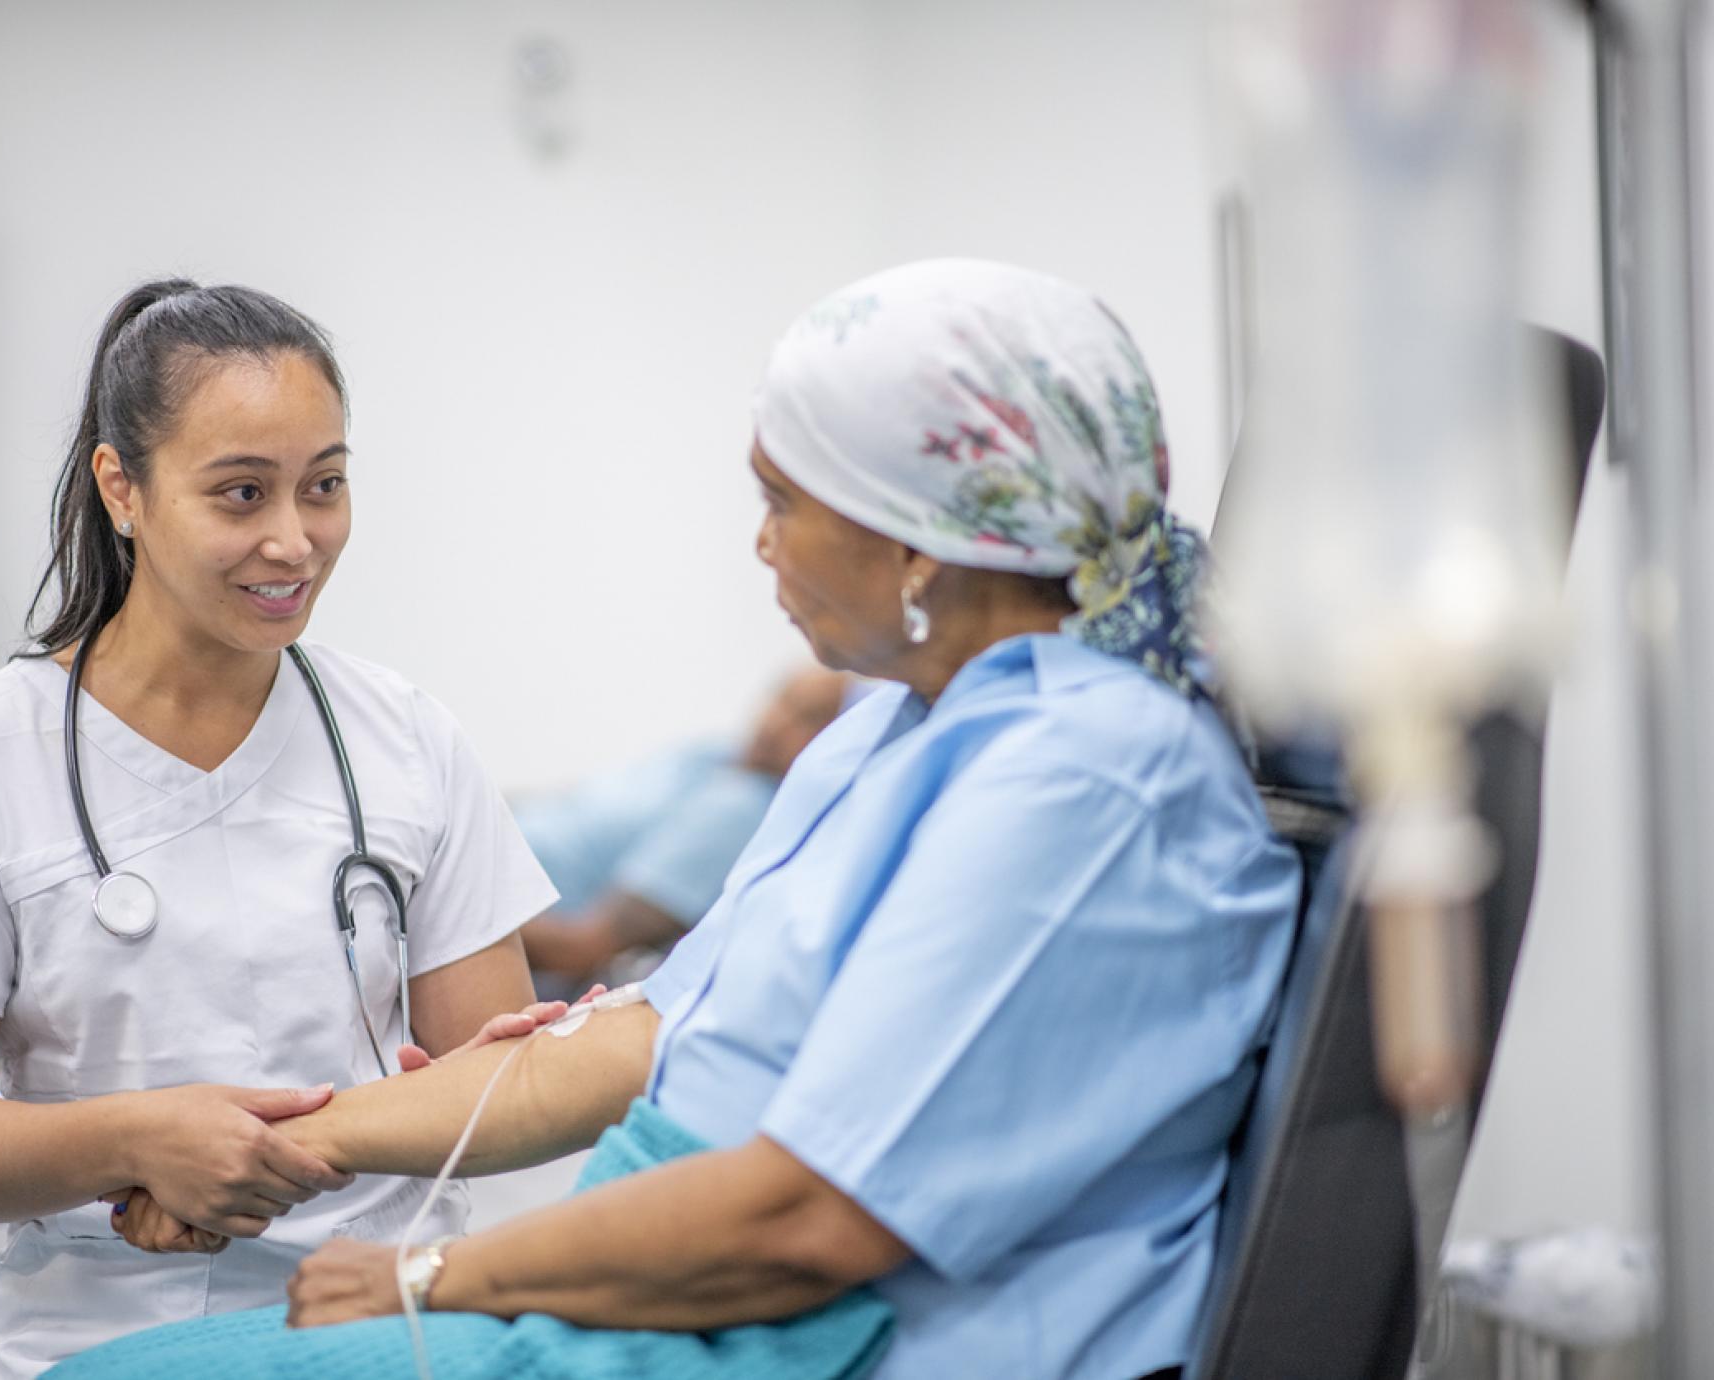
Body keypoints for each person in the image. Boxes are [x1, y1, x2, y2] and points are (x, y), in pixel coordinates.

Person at [64, 260, 1303, 1380]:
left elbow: (807, 1219)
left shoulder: (1080, 783)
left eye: (784, 499)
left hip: (821, 1334)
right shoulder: (899, 726)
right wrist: (277, 1150)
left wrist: (438, 1275)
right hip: (677, 1280)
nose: (761, 542)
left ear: (917, 541)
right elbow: (645, 1040)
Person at [0, 280, 577, 1378]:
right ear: (121, 487)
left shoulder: (404, 740)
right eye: (240, 495)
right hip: (85, 1336)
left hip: (367, 1332)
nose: (294, 542)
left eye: (323, 486)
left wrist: (297, 1146)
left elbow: (506, 1086)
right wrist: (133, 1145)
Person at [517, 666, 848, 991]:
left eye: (810, 718)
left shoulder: (741, 813)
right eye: (784, 700)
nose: (780, 723)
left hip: (505, 927)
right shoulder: (711, 754)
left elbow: (580, 949)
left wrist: (477, 912)